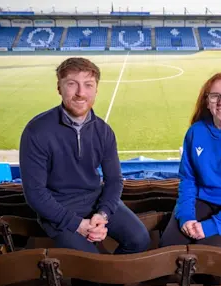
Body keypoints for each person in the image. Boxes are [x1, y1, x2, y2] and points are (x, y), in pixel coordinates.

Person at [20, 57, 150, 254]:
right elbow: (35, 193)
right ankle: (101, 282)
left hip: (95, 200)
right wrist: (76, 224)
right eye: (72, 84)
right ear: (59, 88)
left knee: (140, 240)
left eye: (88, 85)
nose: (81, 93)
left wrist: (103, 214)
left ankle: (111, 281)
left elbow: (114, 180)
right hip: (58, 208)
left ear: (96, 89)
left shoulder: (104, 131)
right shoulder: (36, 131)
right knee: (90, 263)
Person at [159, 72, 221, 249]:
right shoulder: (196, 132)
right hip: (201, 200)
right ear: (207, 102)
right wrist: (186, 216)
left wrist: (211, 227)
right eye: (215, 96)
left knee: (206, 262)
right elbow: (188, 179)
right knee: (168, 249)